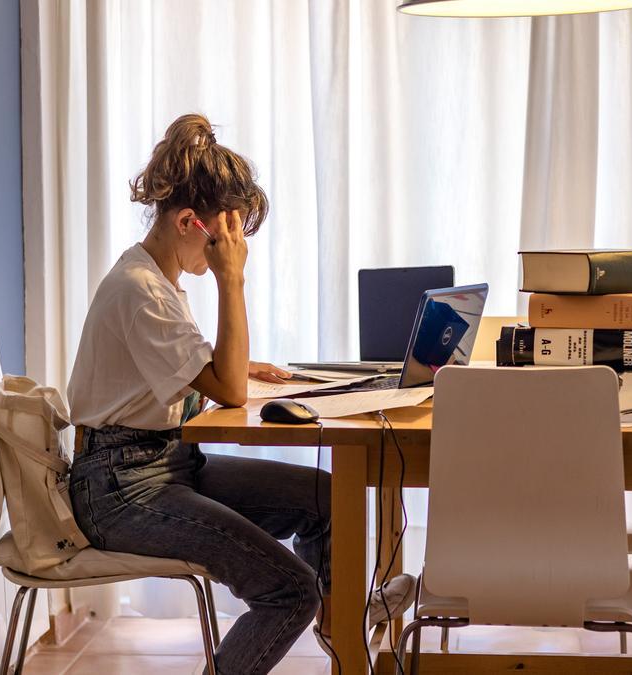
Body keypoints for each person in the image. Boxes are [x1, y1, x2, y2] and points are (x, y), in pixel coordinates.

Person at [65, 114, 413, 674]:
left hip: (165, 463)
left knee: (326, 498)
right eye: (227, 238)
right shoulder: (141, 290)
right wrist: (232, 280)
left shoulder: (157, 279)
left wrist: (236, 365)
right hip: (119, 489)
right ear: (189, 223)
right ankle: (323, 606)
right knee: (289, 589)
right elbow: (225, 391)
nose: (233, 249)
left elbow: (199, 373)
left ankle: (343, 615)